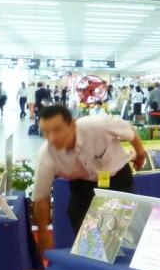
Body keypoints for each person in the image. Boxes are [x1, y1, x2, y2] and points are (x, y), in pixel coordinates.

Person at [31, 104, 148, 250]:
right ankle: (90, 259)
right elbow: (41, 198)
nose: (52, 138)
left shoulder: (98, 125)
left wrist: (140, 154)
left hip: (118, 179)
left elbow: (129, 132)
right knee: (86, 238)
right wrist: (43, 232)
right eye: (46, 132)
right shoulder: (46, 155)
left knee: (121, 234)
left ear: (72, 124)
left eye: (57, 130)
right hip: (82, 186)